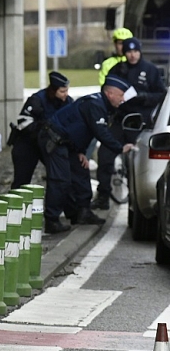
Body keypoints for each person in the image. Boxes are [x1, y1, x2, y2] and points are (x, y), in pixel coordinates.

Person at [39, 75, 135, 234]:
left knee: (81, 172)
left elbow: (82, 130)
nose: (123, 99)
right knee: (60, 180)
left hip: (68, 144)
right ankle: (52, 220)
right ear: (110, 94)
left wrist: (80, 152)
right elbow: (100, 132)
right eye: (120, 96)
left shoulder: (101, 104)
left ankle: (81, 212)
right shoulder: (95, 104)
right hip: (54, 140)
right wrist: (120, 148)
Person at [92, 37, 167, 210]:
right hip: (120, 119)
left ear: (140, 52)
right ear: (124, 53)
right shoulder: (118, 69)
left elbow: (161, 94)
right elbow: (106, 92)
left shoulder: (150, 70)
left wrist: (145, 97)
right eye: (128, 52)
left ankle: (138, 198)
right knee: (105, 155)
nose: (132, 55)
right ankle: (103, 195)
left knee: (138, 159)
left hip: (140, 122)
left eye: (135, 51)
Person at [9, 71, 73, 189]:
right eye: (62, 91)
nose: (65, 94)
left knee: (60, 176)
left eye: (67, 91)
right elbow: (24, 123)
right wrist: (45, 129)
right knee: (22, 181)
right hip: (28, 144)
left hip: (50, 145)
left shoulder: (68, 102)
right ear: (53, 90)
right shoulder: (37, 100)